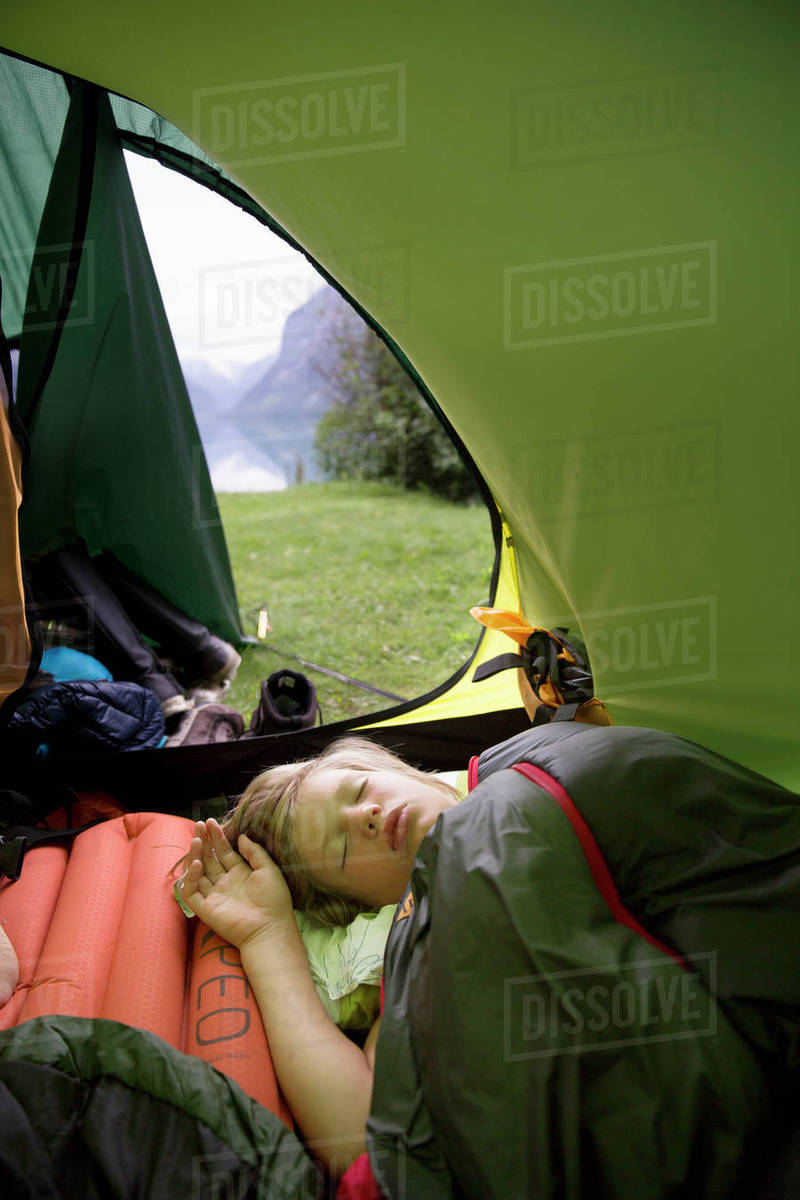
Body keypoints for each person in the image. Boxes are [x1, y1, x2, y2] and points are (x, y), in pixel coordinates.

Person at [181, 737, 459, 1173]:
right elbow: (364, 1137)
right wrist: (267, 937)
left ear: (398, 770)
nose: (365, 816)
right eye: (344, 851)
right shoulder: (425, 943)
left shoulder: (525, 762)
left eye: (360, 790)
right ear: (366, 906)